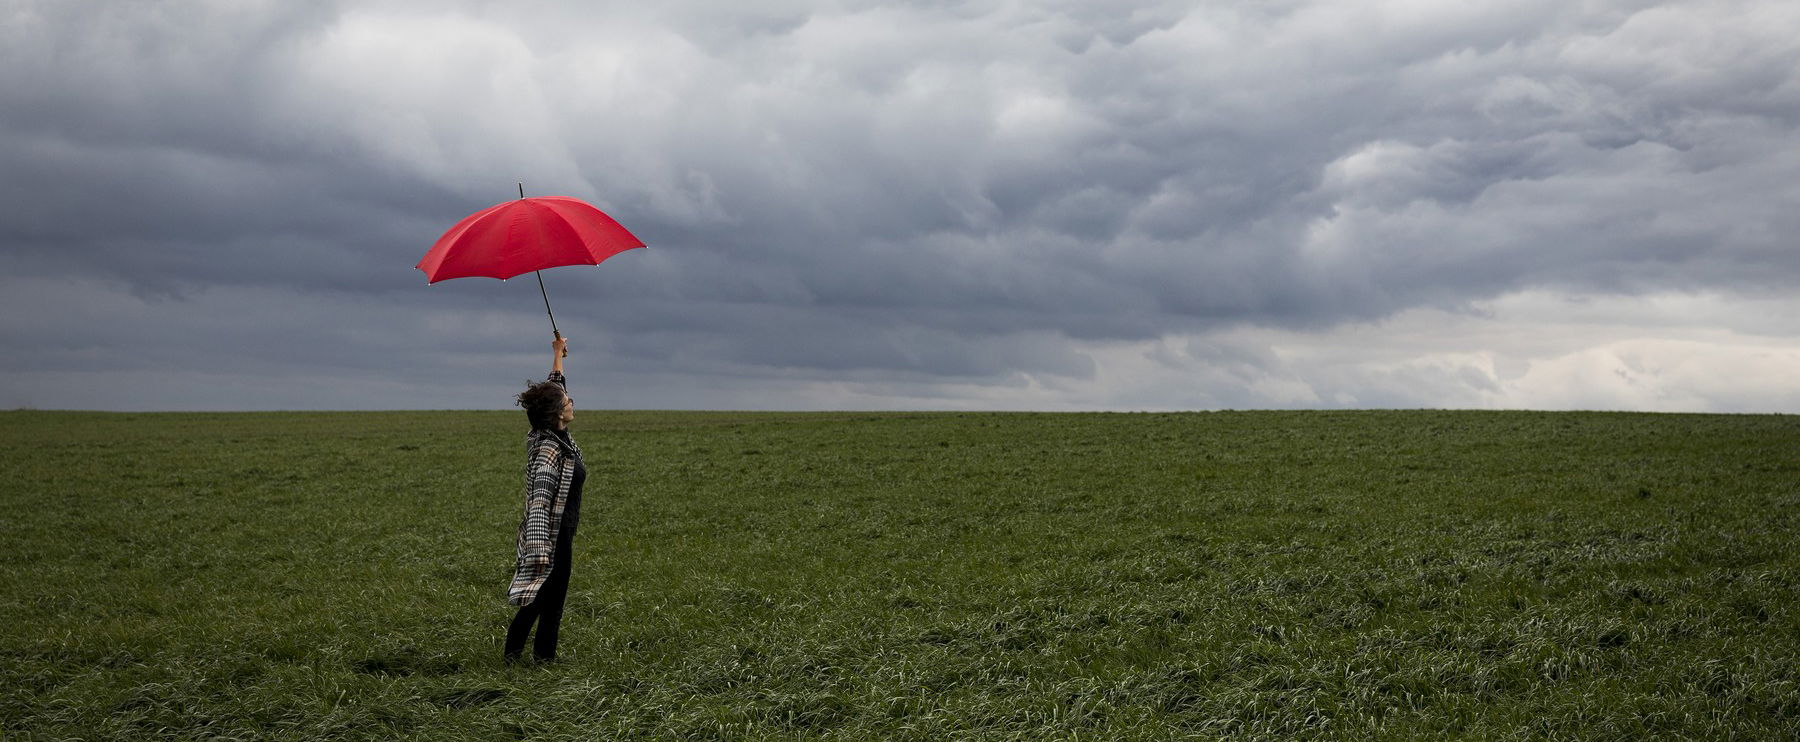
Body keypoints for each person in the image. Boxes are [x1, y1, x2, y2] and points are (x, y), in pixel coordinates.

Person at [504, 334, 586, 663]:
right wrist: (540, 549)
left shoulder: (549, 432)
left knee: (546, 596)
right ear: (557, 413)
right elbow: (539, 501)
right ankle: (537, 659)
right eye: (567, 401)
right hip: (551, 533)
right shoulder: (549, 450)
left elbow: (556, 387)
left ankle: (523, 655)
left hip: (561, 529)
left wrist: (557, 354)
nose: (572, 402)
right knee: (547, 597)